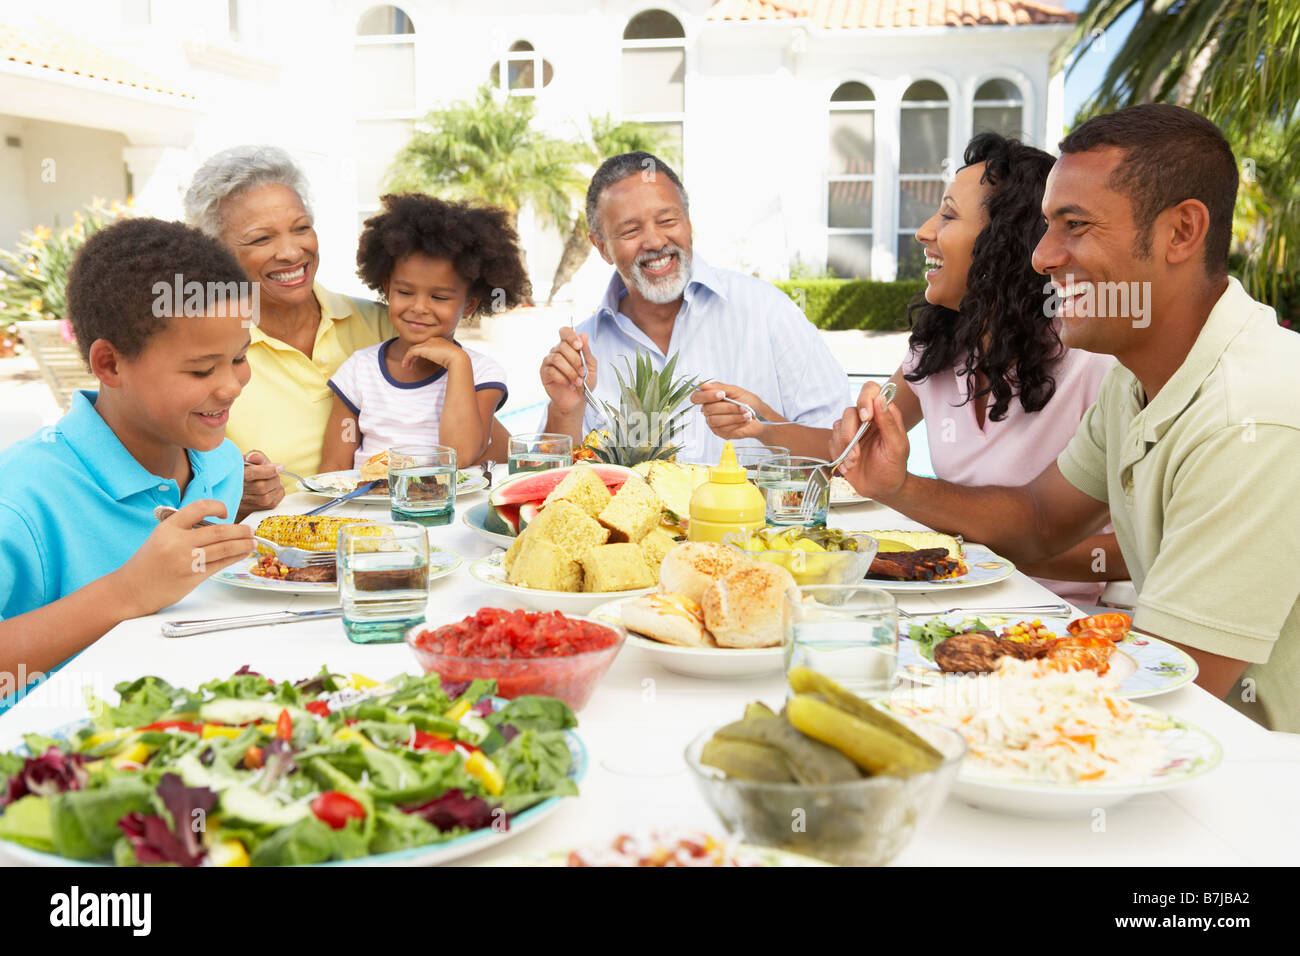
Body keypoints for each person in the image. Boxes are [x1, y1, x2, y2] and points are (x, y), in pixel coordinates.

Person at [831, 104, 1300, 732]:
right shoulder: (1135, 376)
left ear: (1182, 233)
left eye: (1074, 225)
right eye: (1047, 226)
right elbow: (1039, 520)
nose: (1041, 257)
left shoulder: (1255, 416)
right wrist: (898, 486)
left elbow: (1166, 695)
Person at [184, 146, 512, 518]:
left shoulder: (391, 326)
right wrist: (233, 493)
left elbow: (487, 445)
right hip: (290, 543)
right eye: (262, 239)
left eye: (301, 228)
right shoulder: (203, 356)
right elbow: (178, 490)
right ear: (216, 252)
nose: (292, 252)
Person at [0, 218, 255, 687]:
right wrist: (127, 592)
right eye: (201, 370)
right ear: (110, 364)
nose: (230, 386)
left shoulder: (222, 464)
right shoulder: (19, 499)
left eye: (239, 357)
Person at [881, 131, 1123, 605]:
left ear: (1002, 242)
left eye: (948, 214)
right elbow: (846, 448)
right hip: (949, 593)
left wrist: (981, 555)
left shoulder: (1093, 359)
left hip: (1052, 615)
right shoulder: (939, 346)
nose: (924, 231)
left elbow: (1132, 552)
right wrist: (762, 427)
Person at [539, 151, 849, 464]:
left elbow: (846, 453)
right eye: (631, 231)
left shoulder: (767, 311)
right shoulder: (581, 354)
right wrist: (565, 411)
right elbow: (552, 495)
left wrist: (764, 424)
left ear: (688, 223)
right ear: (602, 247)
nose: (655, 241)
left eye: (667, 221)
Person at [319, 194, 528, 471]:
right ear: (387, 288)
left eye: (439, 298)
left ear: (470, 306)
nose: (419, 307)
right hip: (367, 511)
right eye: (405, 292)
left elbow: (460, 455)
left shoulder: (482, 374)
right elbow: (332, 469)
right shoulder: (359, 370)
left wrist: (457, 363)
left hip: (446, 512)